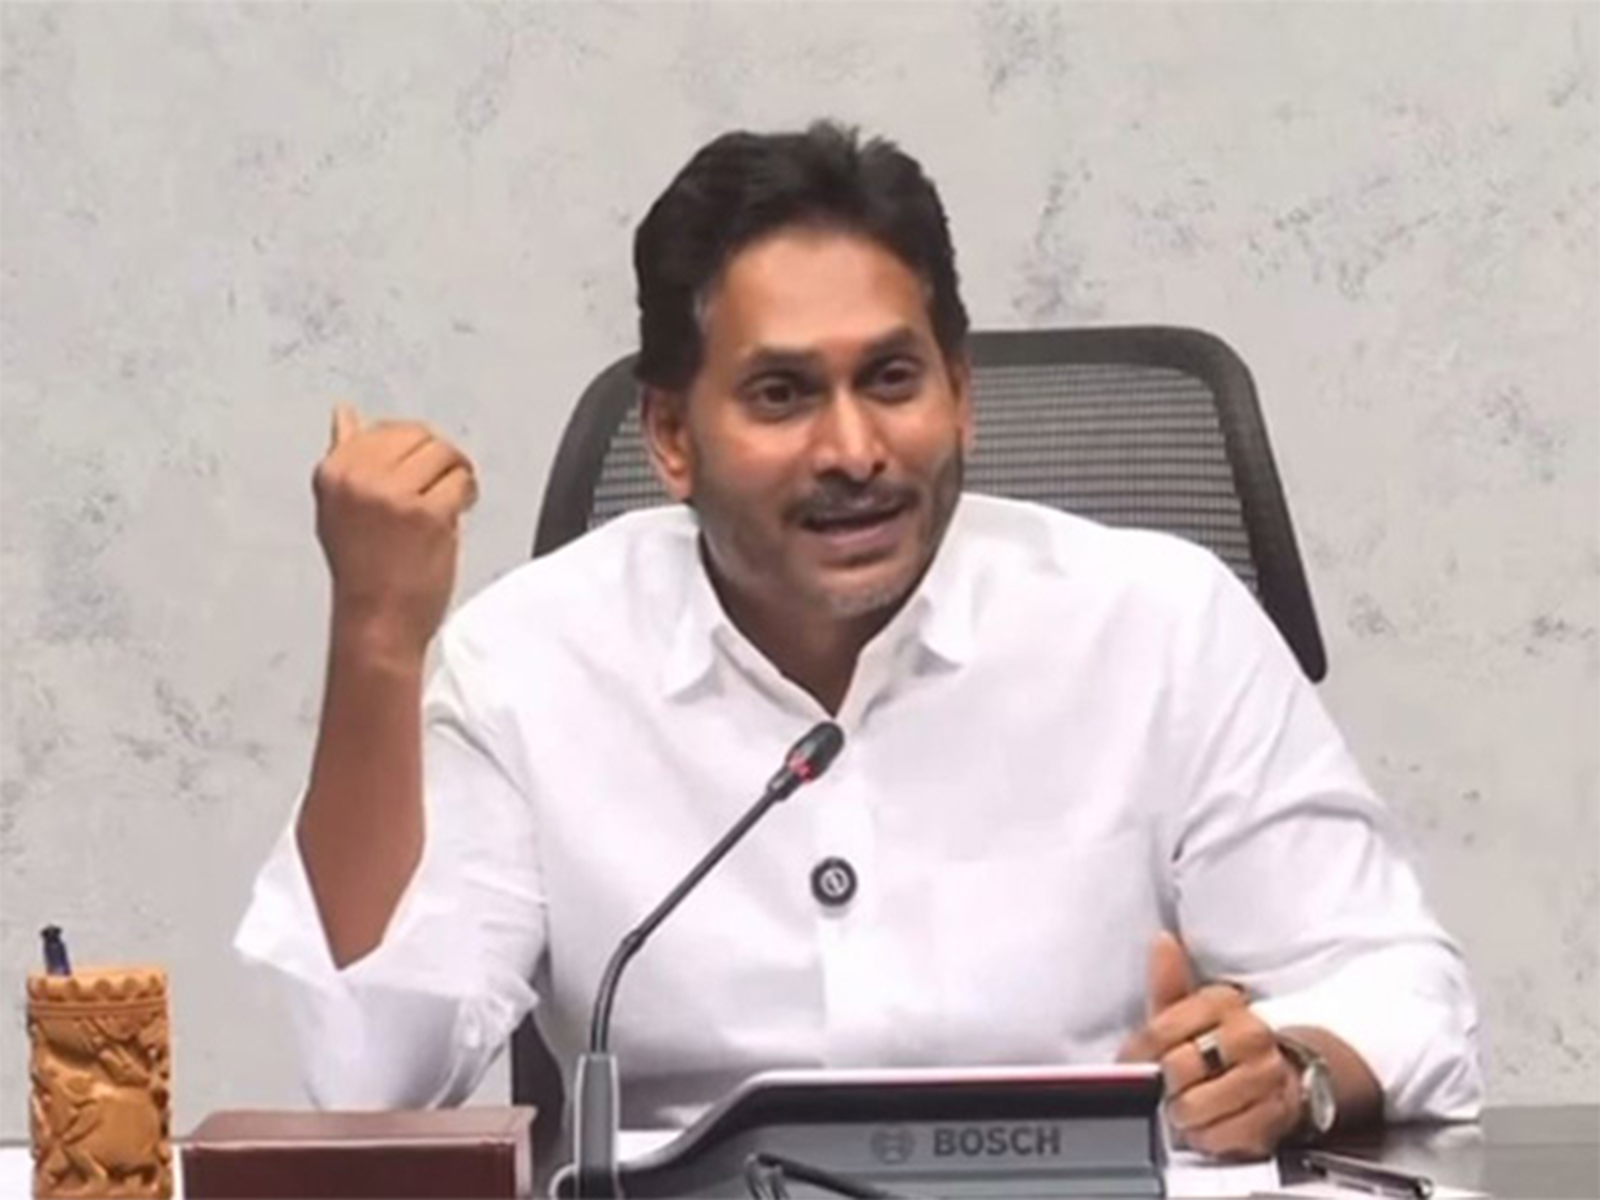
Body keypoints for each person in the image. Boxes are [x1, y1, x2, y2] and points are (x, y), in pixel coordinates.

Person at [237, 122, 1481, 1158]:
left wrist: (1292, 1070)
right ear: (670, 437)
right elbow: (372, 1086)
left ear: (961, 395)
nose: (852, 450)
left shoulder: (1157, 622)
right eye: (781, 394)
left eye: (891, 380)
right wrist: (377, 642)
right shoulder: (531, 661)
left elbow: (1396, 987)